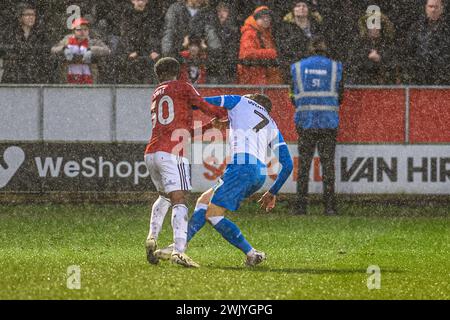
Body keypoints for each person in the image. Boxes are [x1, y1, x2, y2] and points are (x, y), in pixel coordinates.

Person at [154, 93, 294, 267]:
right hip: (258, 173)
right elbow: (288, 165)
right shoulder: (271, 124)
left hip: (241, 168)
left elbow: (202, 103)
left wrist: (182, 105)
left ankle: (252, 253)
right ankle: (178, 247)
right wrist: (272, 192)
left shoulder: (240, 100)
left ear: (252, 100)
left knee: (213, 215)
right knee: (204, 201)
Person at [144, 57, 226, 268]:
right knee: (180, 199)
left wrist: (209, 127)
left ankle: (152, 236)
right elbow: (204, 105)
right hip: (172, 153)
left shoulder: (156, 94)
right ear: (179, 72)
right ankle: (179, 252)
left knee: (164, 196)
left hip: (151, 153)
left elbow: (185, 131)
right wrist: (224, 114)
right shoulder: (183, 87)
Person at [290, 36, 344, 215]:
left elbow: (293, 95)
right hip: (328, 123)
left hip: (306, 122)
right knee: (328, 166)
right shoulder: (335, 67)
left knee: (304, 166)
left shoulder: (298, 67)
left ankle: (300, 207)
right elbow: (340, 95)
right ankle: (329, 207)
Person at [0, 3, 51, 84]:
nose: (31, 17)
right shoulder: (11, 32)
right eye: (27, 14)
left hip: (34, 76)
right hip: (13, 75)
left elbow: (46, 50)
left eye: (33, 15)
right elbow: (5, 50)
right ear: (21, 17)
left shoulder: (40, 34)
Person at [50, 17, 110, 84]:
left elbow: (107, 50)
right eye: (79, 29)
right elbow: (53, 49)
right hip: (68, 75)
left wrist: (91, 50)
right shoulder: (67, 40)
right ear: (74, 31)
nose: (82, 32)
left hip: (90, 75)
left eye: (85, 29)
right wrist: (64, 49)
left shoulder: (93, 41)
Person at [405, 0, 450, 85]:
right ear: (426, 8)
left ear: (442, 9)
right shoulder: (416, 27)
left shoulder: (447, 28)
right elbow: (409, 51)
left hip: (444, 79)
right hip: (420, 77)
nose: (433, 9)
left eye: (436, 7)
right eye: (430, 6)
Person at [117, 0, 161, 84]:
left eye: (143, 0)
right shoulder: (127, 15)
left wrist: (153, 50)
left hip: (148, 50)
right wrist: (131, 51)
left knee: (154, 64)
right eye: (138, 0)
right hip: (131, 50)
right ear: (132, 1)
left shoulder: (152, 16)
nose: (140, 3)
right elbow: (126, 36)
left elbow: (154, 35)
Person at [237, 6, 283, 85]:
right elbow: (246, 53)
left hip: (263, 78)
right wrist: (271, 53)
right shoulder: (249, 33)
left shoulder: (267, 33)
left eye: (268, 17)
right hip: (252, 77)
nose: (266, 20)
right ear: (256, 19)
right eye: (262, 17)